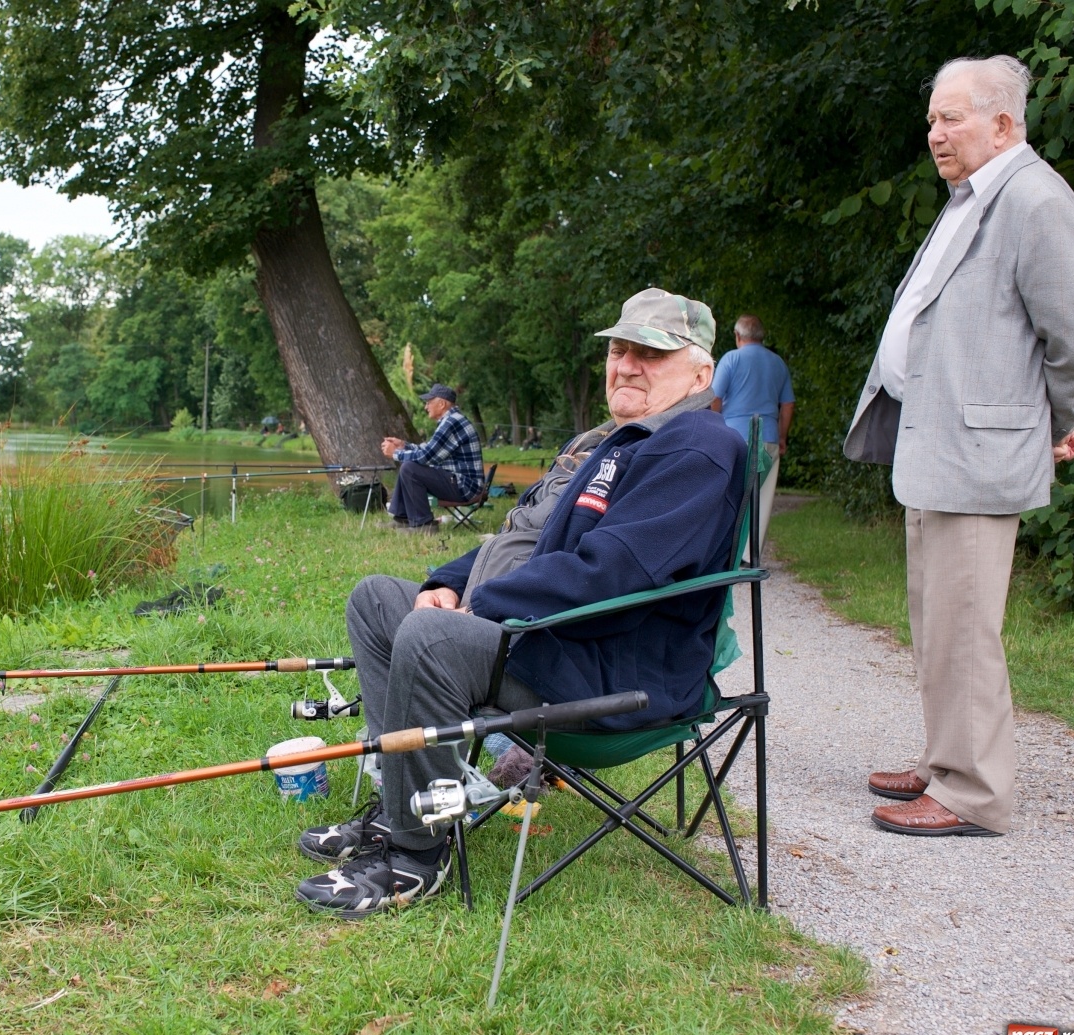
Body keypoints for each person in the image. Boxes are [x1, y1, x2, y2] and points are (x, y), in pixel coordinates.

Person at [294, 288, 747, 917]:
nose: (628, 364)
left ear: (701, 373)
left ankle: (415, 856)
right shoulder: (614, 441)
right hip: (546, 641)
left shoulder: (698, 447)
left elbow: (610, 572)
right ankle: (401, 800)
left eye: (652, 352)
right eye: (620, 349)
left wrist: (481, 607)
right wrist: (447, 582)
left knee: (433, 639)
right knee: (378, 601)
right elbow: (522, 534)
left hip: (607, 669)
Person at [843, 56, 1074, 838]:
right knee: (937, 623)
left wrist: (1051, 420)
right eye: (931, 119)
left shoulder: (1033, 199)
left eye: (951, 118)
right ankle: (945, 757)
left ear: (1004, 123)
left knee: (964, 626)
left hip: (979, 448)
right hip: (938, 444)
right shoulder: (974, 196)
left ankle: (974, 792)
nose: (936, 133)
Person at [711, 315, 793, 554]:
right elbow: (787, 405)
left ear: (737, 336)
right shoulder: (778, 363)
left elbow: (715, 397)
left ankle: (729, 550)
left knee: (732, 493)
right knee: (763, 497)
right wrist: (782, 437)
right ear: (761, 337)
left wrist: (714, 426)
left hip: (734, 437)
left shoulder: (731, 359)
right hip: (767, 436)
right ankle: (751, 552)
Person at [380, 384, 484, 532]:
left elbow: (426, 457)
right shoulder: (452, 420)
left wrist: (395, 454)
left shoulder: (451, 422)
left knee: (410, 468)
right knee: (409, 466)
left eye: (429, 402)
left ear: (441, 404)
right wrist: (404, 445)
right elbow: (429, 450)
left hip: (465, 487)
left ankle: (424, 525)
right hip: (462, 483)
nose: (426, 407)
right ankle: (403, 519)